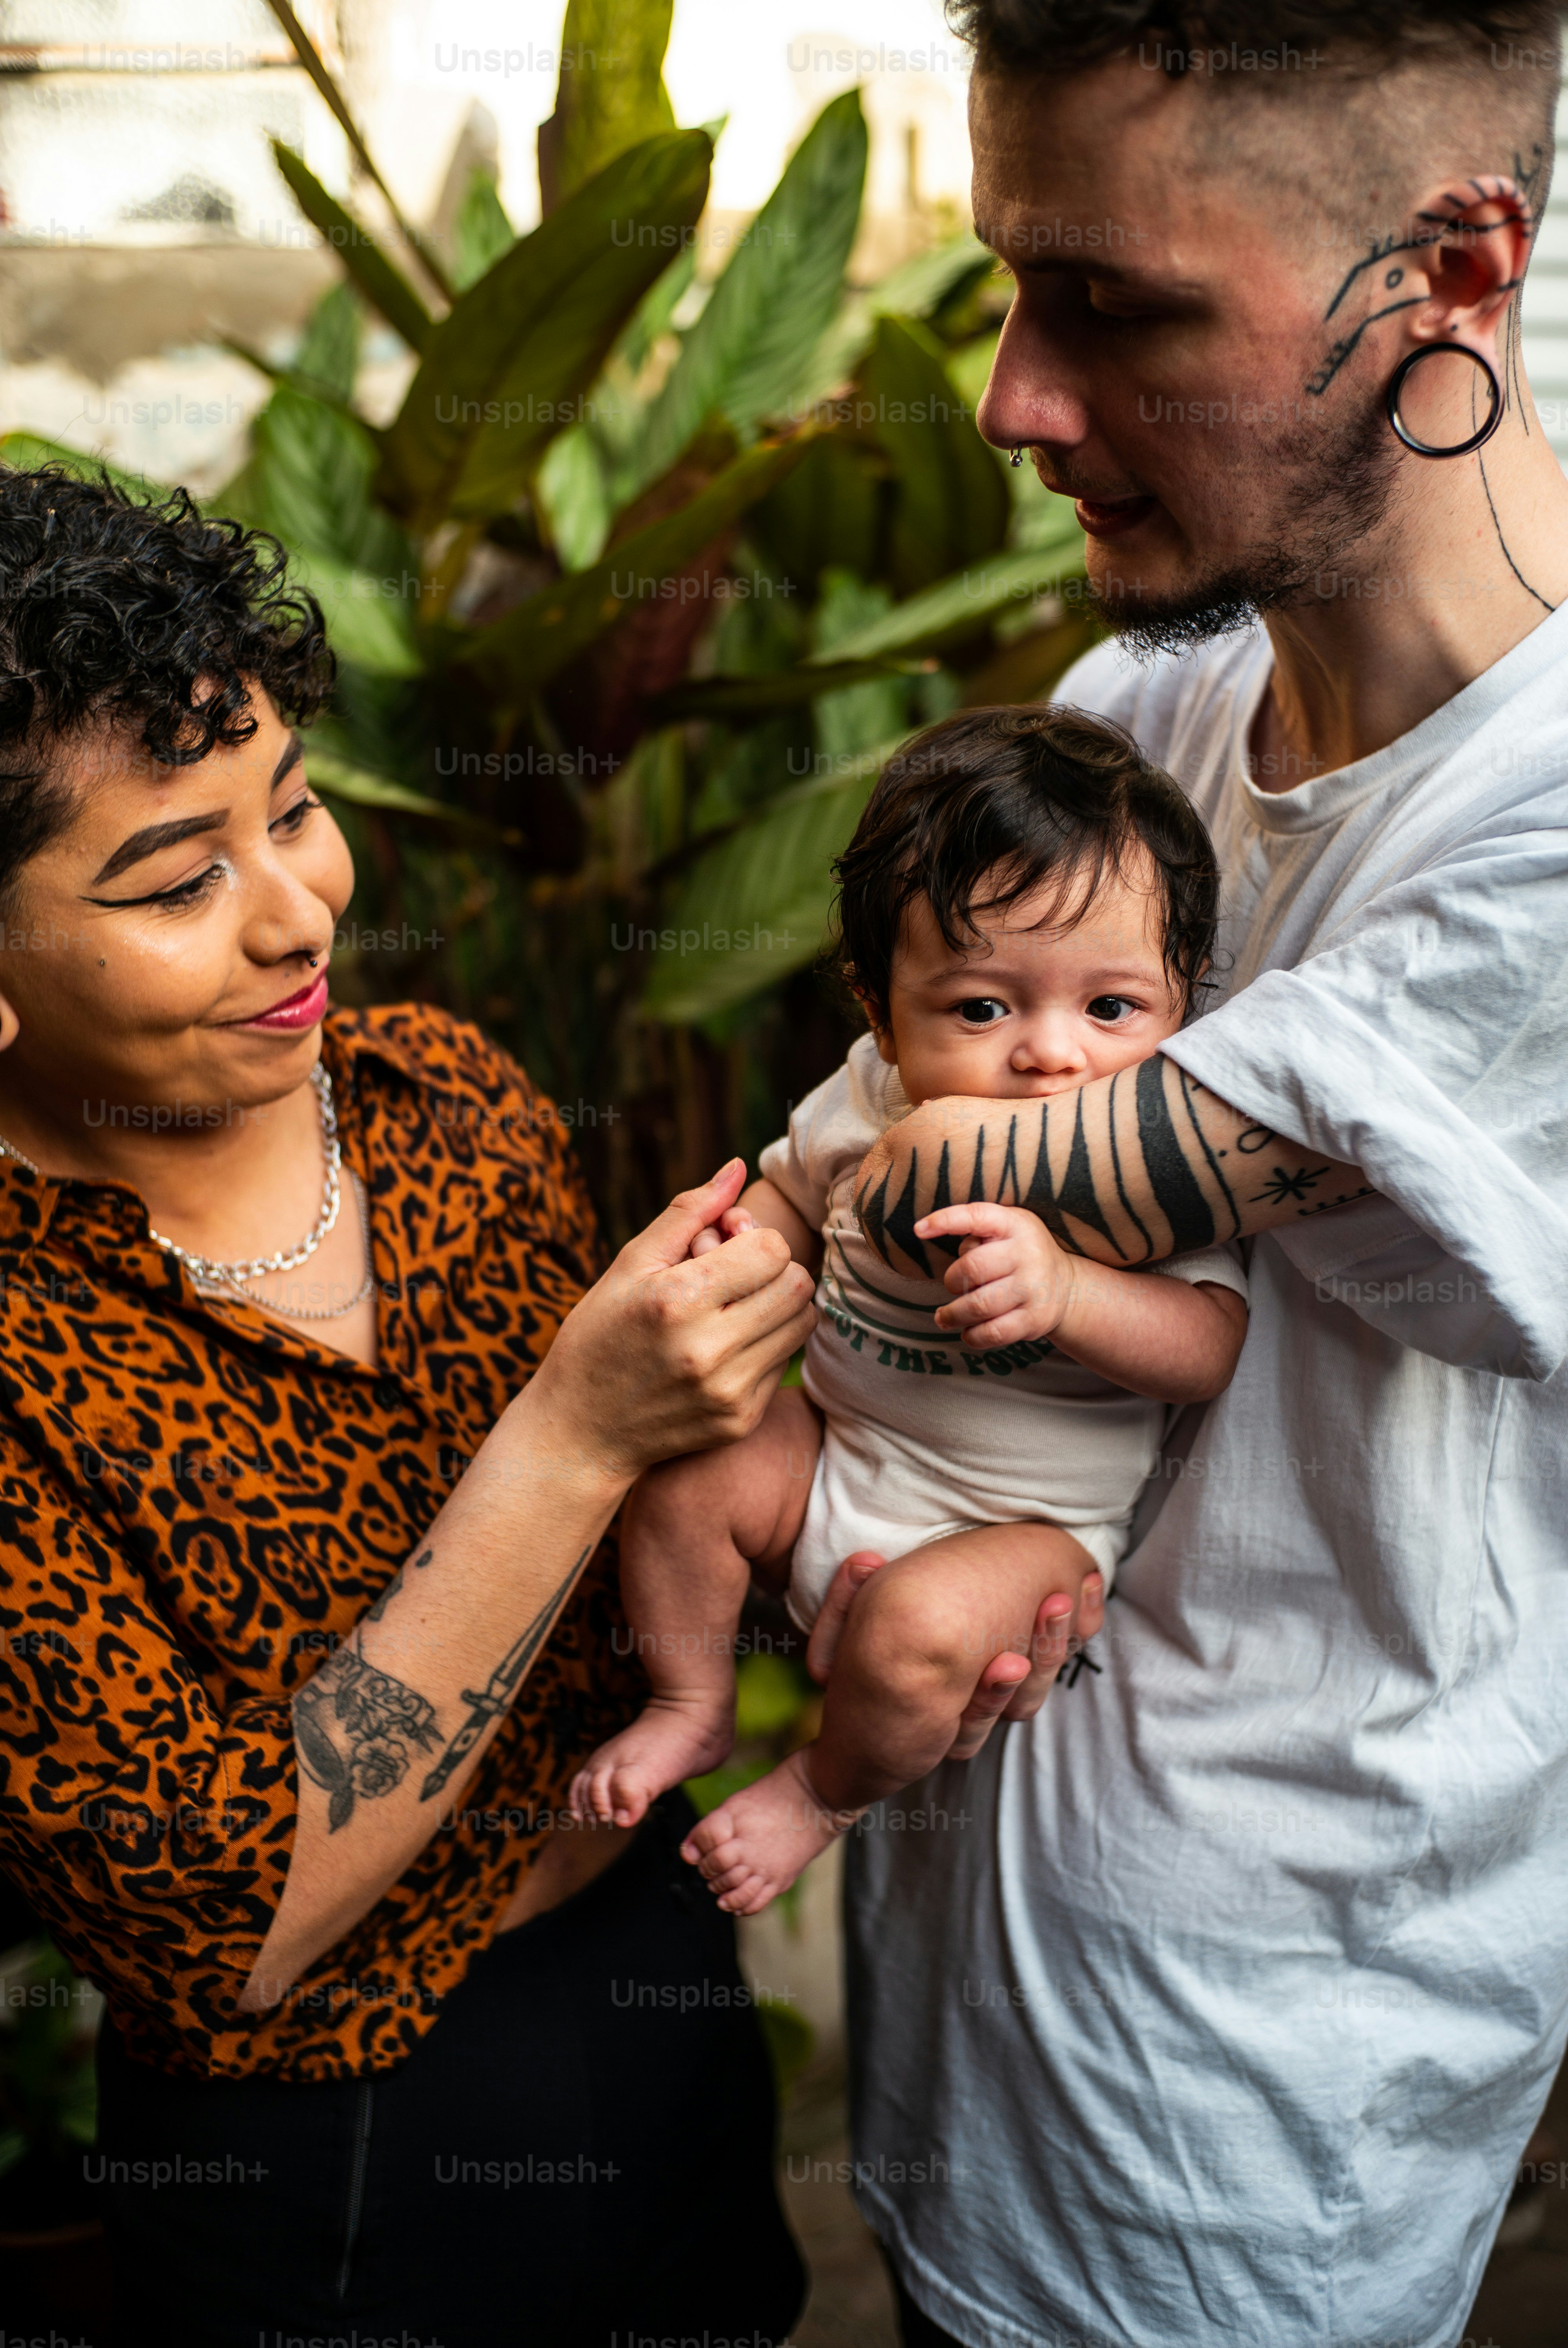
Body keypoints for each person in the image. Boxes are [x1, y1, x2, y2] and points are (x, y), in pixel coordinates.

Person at [833, 6, 1568, 2346]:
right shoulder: (1156, 705)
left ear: (1451, 265)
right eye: (1009, 292)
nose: (1018, 402)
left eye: (1122, 306)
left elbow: (944, 1169)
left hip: (1253, 2090)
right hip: (975, 1975)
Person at [0, 467, 820, 2348]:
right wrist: (573, 1432)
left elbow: (667, 1571)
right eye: (174, 879)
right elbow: (228, 1928)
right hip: (335, 2137)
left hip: (648, 1970)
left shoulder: (445, 1100)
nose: (295, 915)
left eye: (290, 812)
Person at [573, 706, 1258, 1913]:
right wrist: (744, 1254)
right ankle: (690, 1701)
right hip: (833, 1460)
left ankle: (820, 1794)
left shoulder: (1151, 1168)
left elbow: (1207, 1347)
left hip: (1014, 1534)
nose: (1054, 1057)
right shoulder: (868, 1096)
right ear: (881, 1012)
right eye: (984, 1008)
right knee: (684, 1472)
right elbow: (793, 1191)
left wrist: (1074, 1293)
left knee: (916, 1634)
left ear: (1182, 1000)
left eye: (1112, 1009)